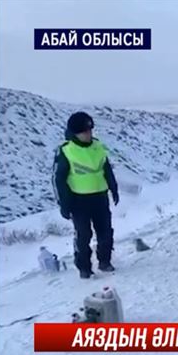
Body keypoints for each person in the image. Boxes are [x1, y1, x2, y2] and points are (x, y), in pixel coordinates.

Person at [54, 112, 119, 279]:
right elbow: (58, 180)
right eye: (84, 132)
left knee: (105, 232)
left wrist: (113, 188)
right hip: (79, 201)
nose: (88, 134)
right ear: (75, 133)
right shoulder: (66, 151)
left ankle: (105, 261)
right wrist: (64, 204)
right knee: (83, 236)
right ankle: (84, 267)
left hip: (100, 197)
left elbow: (106, 169)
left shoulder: (98, 146)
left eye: (90, 130)